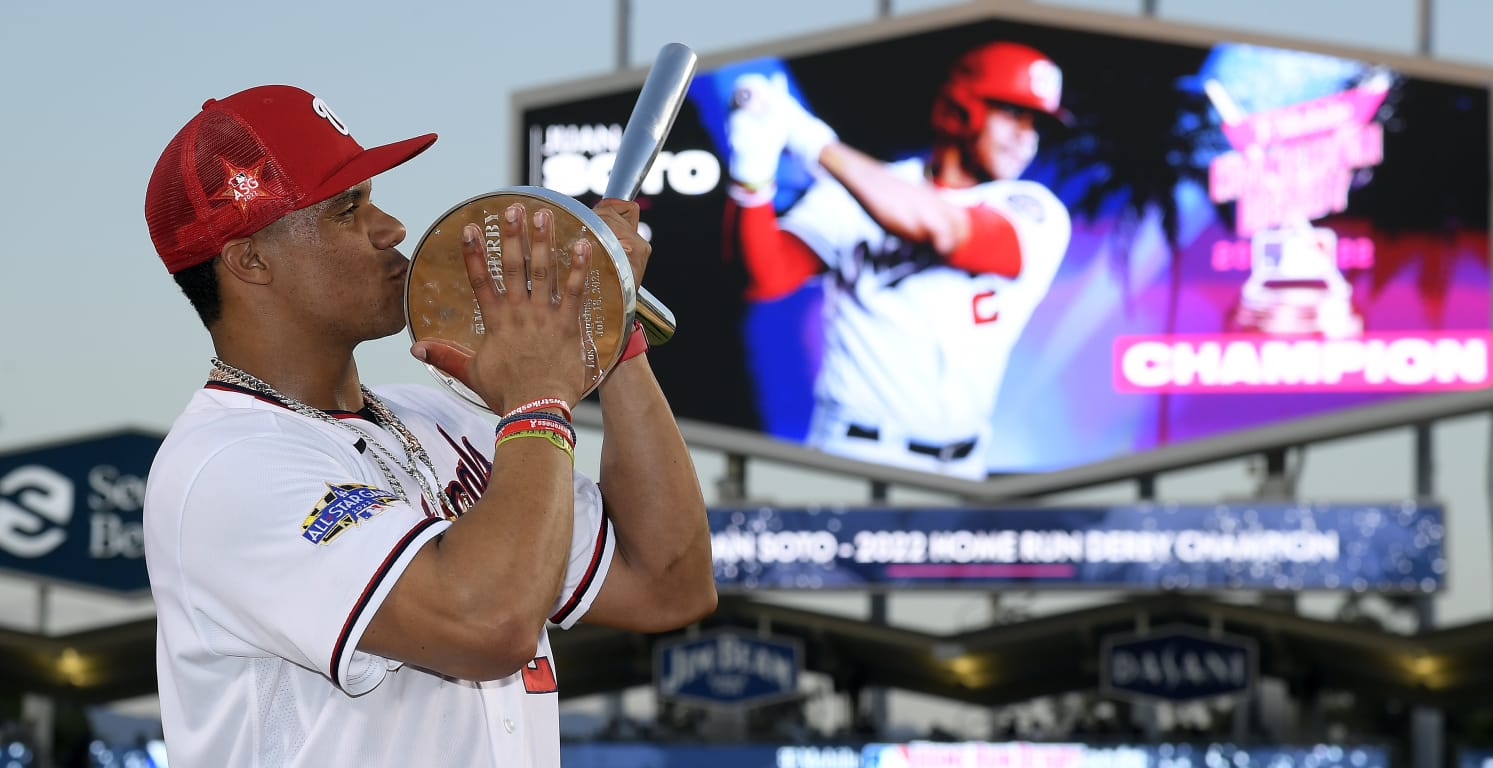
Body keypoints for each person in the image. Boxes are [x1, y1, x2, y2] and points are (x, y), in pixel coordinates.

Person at [141, 84, 716, 767]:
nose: (390, 229)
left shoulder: (432, 416)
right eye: (347, 211)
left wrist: (605, 321)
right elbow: (488, 625)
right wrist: (538, 392)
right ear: (250, 260)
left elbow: (668, 584)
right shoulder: (224, 465)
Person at [724, 42, 1073, 480]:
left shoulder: (1033, 209)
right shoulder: (860, 192)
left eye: (1036, 123)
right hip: (852, 455)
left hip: (962, 468)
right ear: (960, 108)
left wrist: (810, 139)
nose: (1027, 136)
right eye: (1012, 114)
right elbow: (764, 277)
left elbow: (947, 229)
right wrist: (751, 172)